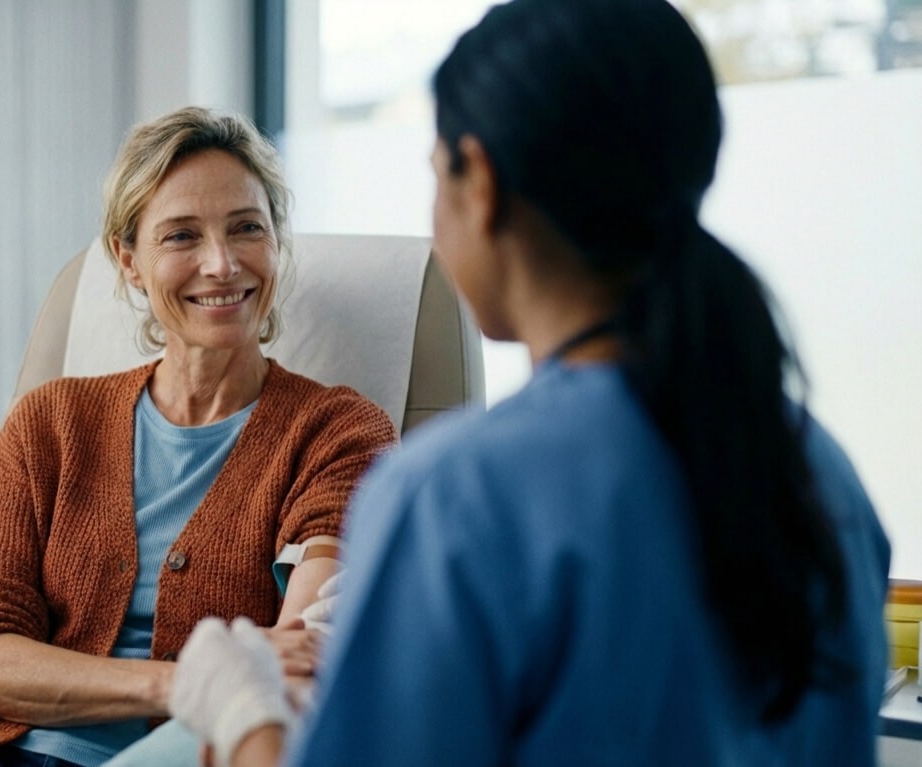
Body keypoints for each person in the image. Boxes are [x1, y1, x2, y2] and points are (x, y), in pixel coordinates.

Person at [167, 1, 891, 765]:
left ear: (477, 181)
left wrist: (246, 712)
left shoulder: (456, 497)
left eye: (436, 174)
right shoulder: (820, 476)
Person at [0, 106, 397, 767]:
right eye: (181, 236)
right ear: (128, 260)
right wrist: (177, 681)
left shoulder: (336, 433)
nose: (221, 263)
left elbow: (301, 656)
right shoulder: (49, 424)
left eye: (247, 229)